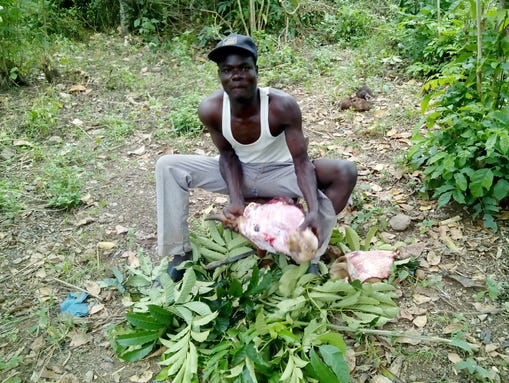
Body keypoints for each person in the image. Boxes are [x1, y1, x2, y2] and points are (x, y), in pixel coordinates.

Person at [156, 34, 357, 281]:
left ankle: (309, 250)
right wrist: (236, 199)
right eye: (227, 70)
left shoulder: (280, 106)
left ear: (256, 71)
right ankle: (179, 254)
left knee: (345, 172)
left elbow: (301, 161)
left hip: (281, 172)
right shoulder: (211, 109)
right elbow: (227, 156)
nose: (236, 75)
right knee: (168, 166)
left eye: (243, 68)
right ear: (220, 75)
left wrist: (313, 208)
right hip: (241, 171)